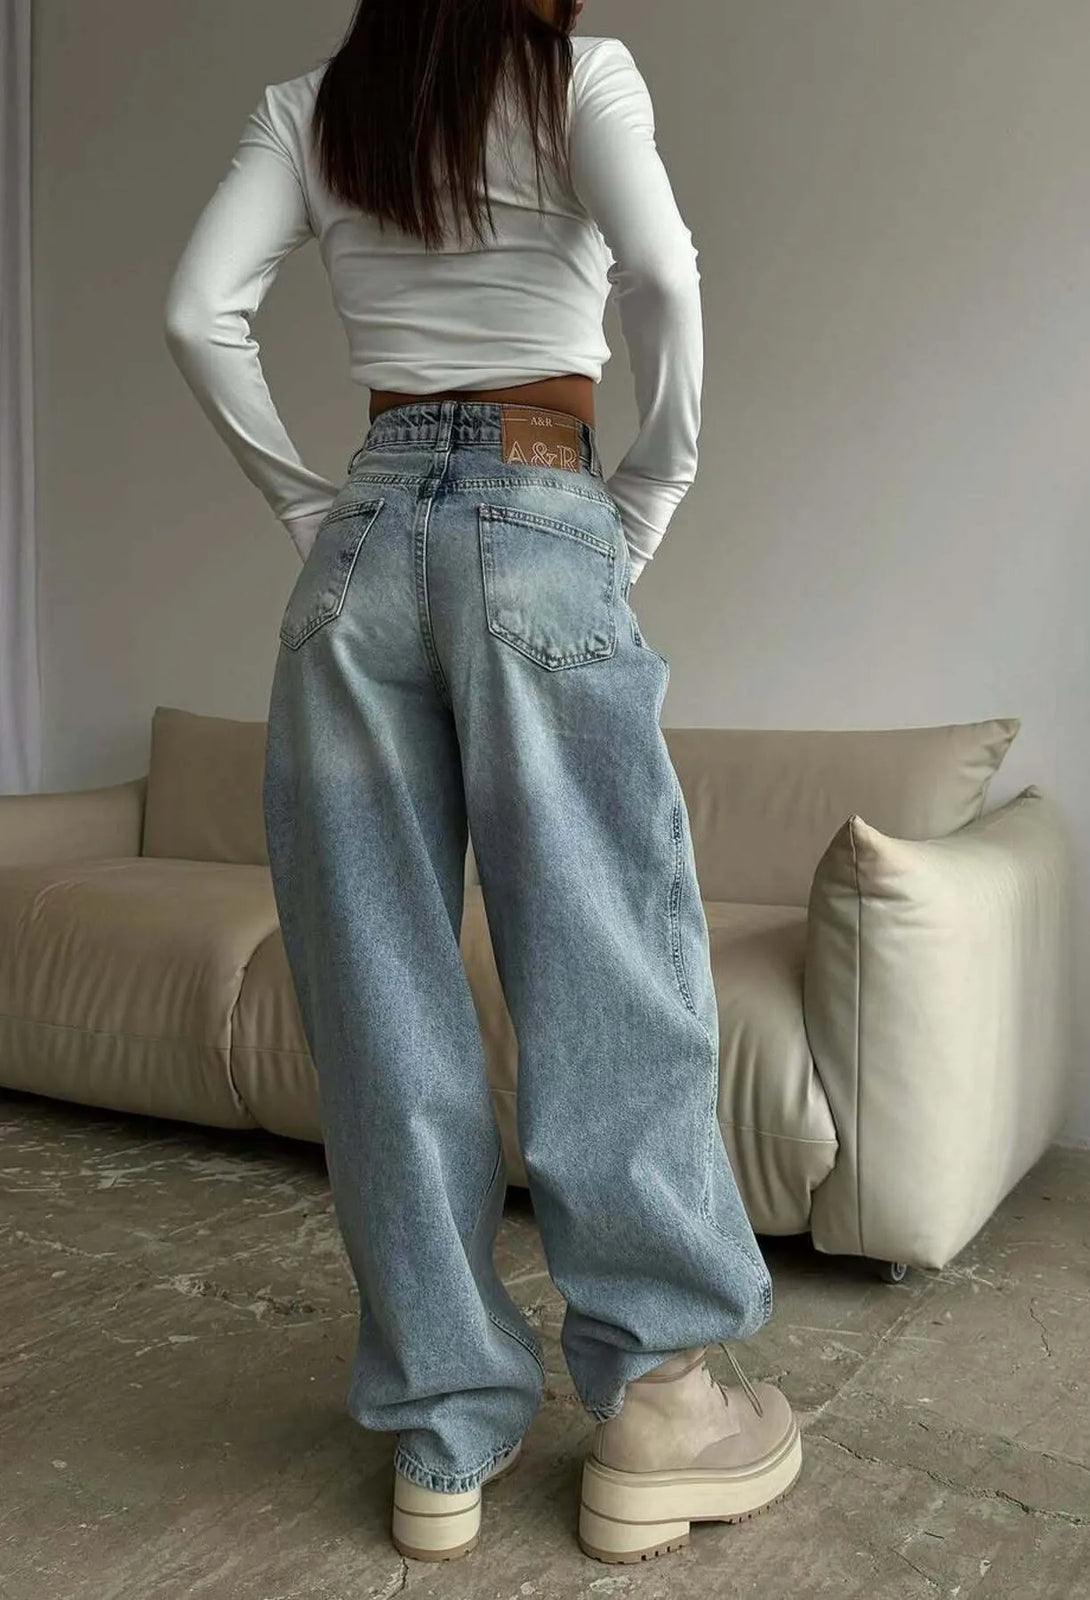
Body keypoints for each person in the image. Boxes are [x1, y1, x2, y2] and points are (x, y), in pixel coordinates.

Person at [163, 0, 803, 1566]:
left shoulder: (317, 105)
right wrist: (650, 487)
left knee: (375, 992)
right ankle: (658, 1408)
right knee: (605, 959)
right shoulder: (580, 75)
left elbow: (197, 312)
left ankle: (441, 1438)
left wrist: (317, 511)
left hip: (366, 535)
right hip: (541, 498)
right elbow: (660, 275)